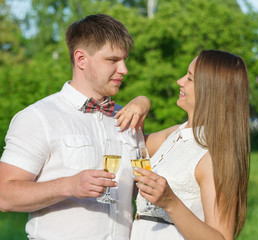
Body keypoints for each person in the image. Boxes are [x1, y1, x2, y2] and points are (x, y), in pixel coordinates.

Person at [0, 14, 150, 240]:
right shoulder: (38, 117)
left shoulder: (127, 117)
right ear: (81, 59)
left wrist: (144, 100)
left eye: (124, 60)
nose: (124, 69)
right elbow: (4, 195)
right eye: (113, 60)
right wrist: (69, 185)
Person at [116, 50, 250, 240]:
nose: (180, 81)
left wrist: (170, 202)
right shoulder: (174, 134)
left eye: (190, 78)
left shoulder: (214, 155)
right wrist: (142, 102)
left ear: (211, 90)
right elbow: (132, 148)